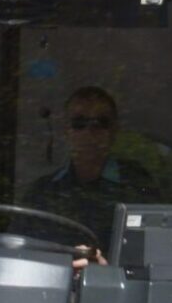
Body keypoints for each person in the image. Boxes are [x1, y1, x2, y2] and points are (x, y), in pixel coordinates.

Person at [20, 85, 160, 253]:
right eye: (79, 123)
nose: (90, 131)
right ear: (67, 131)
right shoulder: (42, 192)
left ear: (114, 130)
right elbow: (20, 254)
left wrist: (106, 265)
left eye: (101, 122)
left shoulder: (138, 184)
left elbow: (159, 250)